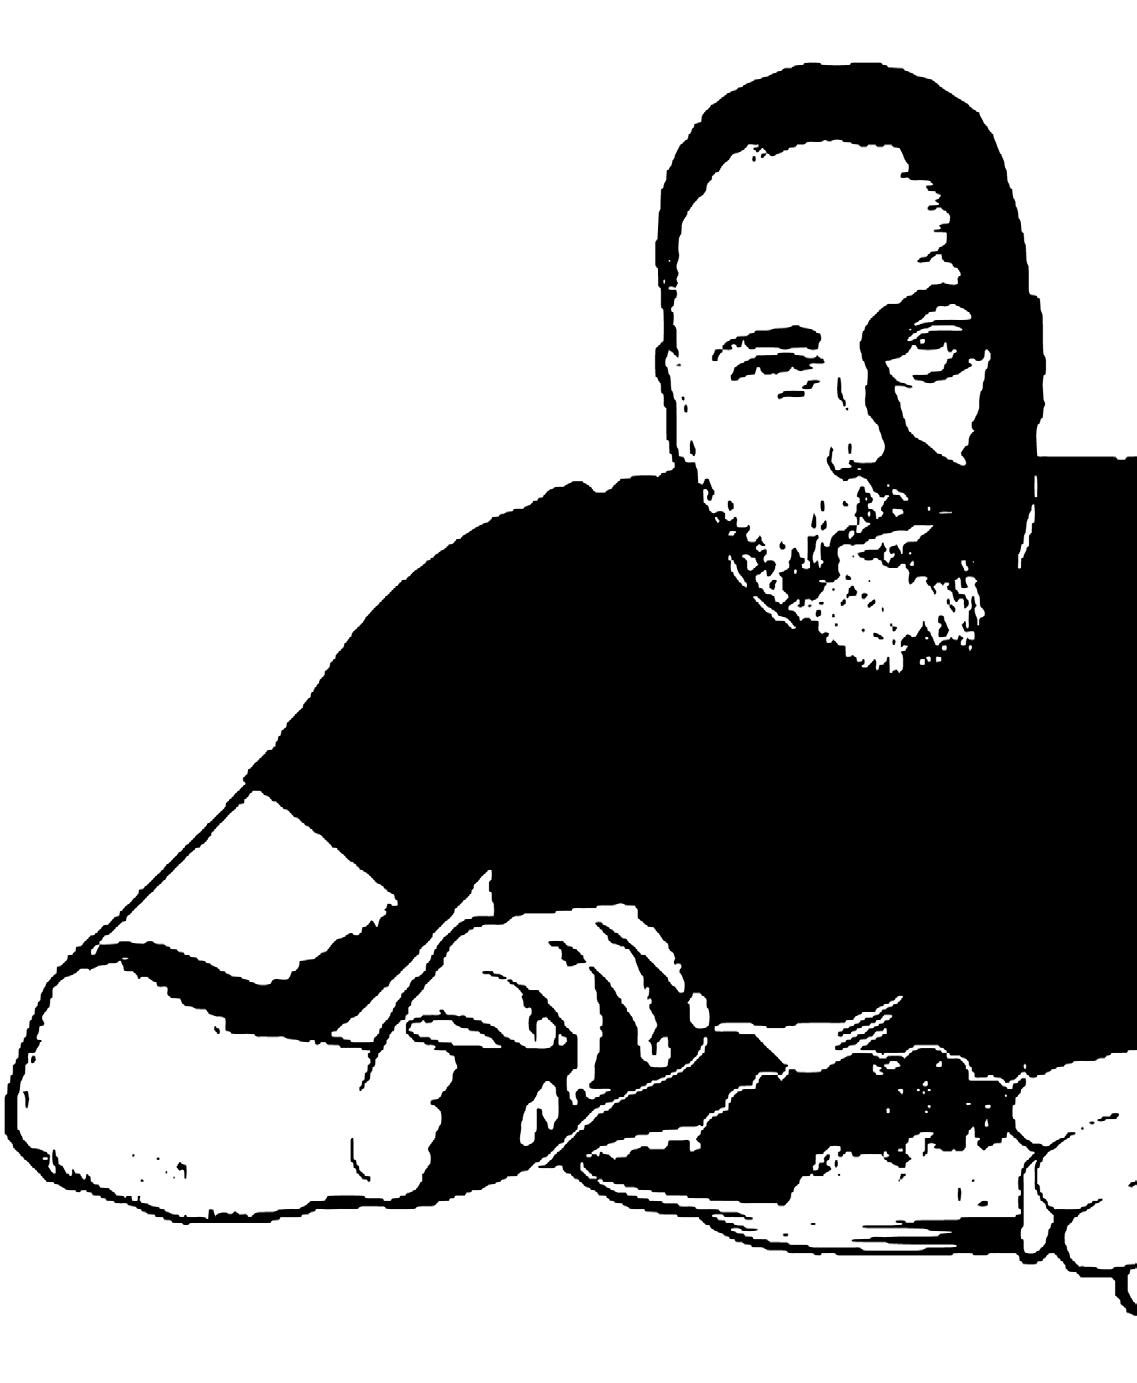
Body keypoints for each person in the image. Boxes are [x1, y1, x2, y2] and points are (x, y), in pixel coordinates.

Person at [8, 64, 1137, 1298]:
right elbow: (85, 1064)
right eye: (776, 366)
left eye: (930, 346)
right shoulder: (537, 615)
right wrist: (363, 1125)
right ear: (683, 408)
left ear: (1032, 358)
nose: (862, 435)